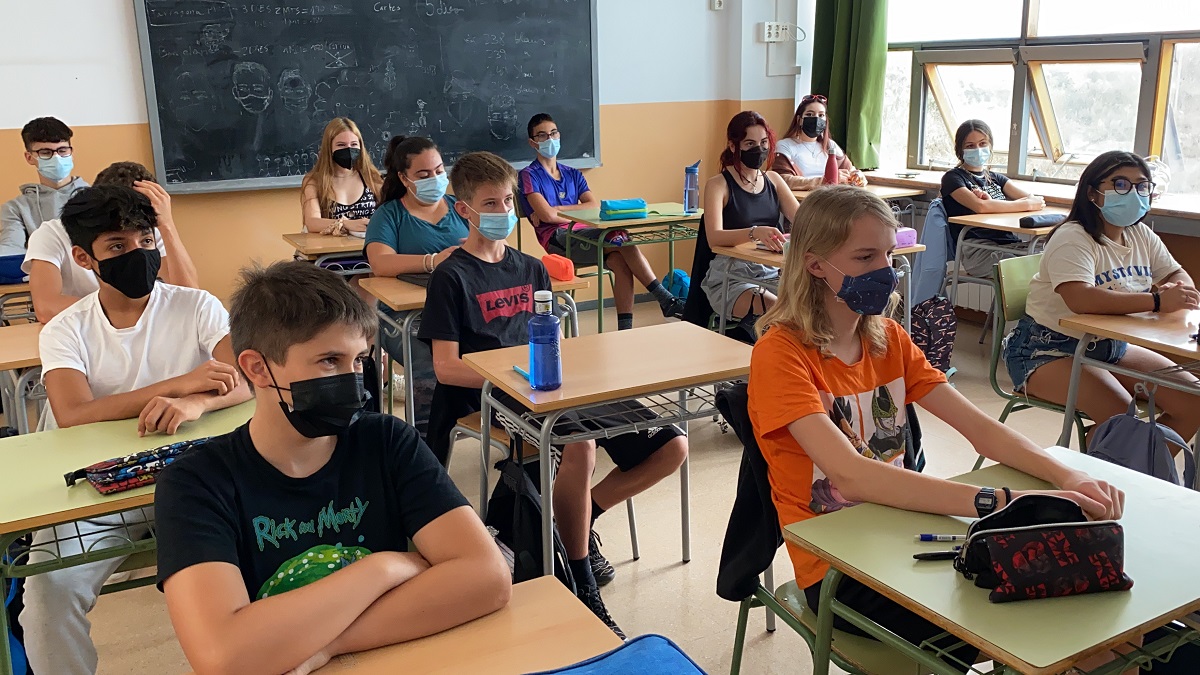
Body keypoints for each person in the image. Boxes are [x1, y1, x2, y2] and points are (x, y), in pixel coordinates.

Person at [748, 184, 1126, 671]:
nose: (885, 269)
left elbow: (980, 429)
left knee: (1091, 618)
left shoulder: (889, 339)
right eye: (865, 257)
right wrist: (1004, 501)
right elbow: (852, 477)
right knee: (1056, 631)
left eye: (889, 253)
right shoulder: (780, 354)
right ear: (815, 264)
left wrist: (1065, 474)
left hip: (910, 533)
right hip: (837, 569)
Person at [155, 261, 510, 675]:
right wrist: (386, 566)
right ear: (257, 368)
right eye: (329, 360)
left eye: (358, 360)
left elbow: (487, 577)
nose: (353, 381)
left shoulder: (386, 441)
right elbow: (225, 658)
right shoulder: (196, 483)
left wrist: (329, 643)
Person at [419, 151, 688, 638]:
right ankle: (582, 582)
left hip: (546, 385)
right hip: (490, 393)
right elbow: (445, 367)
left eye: (508, 201)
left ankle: (577, 523)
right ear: (464, 210)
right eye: (490, 203)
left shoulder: (531, 268)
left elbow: (553, 342)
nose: (503, 210)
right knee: (579, 445)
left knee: (673, 445)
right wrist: (513, 379)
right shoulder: (451, 276)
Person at [22, 184, 253, 675]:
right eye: (118, 246)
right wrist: (179, 383)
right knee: (46, 595)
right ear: (84, 258)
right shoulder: (66, 328)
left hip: (198, 484)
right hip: (101, 489)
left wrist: (195, 402)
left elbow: (249, 377)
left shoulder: (196, 306)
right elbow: (73, 412)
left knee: (262, 559)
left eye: (146, 241)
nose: (138, 254)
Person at [1003, 150, 1200, 444]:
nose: (1133, 193)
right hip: (1047, 349)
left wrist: (1177, 291)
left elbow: (1176, 274)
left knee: (1193, 399)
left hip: (1111, 344)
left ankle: (1139, 468)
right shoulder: (1073, 237)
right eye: (1120, 184)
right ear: (1092, 193)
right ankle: (1099, 467)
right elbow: (1080, 299)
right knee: (1122, 418)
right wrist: (1158, 301)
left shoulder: (1140, 234)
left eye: (1141, 186)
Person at [518, 113, 685, 329]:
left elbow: (592, 206)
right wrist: (555, 212)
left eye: (553, 133)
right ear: (532, 142)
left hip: (586, 234)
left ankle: (625, 330)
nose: (550, 139)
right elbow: (548, 218)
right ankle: (665, 299)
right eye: (542, 135)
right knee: (621, 238)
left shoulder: (572, 174)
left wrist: (557, 208)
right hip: (559, 240)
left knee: (619, 259)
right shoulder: (529, 175)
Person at [364, 135, 467, 438]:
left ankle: (500, 426)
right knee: (429, 360)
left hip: (458, 309)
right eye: (423, 175)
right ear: (404, 178)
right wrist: (433, 260)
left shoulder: (461, 209)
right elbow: (380, 262)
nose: (434, 178)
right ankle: (427, 440)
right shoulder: (389, 215)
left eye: (439, 171)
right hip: (403, 316)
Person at [23, 161, 200, 323]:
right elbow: (46, 307)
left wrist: (167, 225)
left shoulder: (146, 230)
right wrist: (120, 312)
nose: (133, 230)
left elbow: (190, 296)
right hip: (84, 329)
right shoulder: (51, 234)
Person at [701, 111, 800, 337]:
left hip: (773, 272)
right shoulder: (718, 184)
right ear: (733, 146)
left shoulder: (774, 180)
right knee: (779, 311)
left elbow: (804, 220)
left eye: (763, 143)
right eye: (750, 144)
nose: (759, 149)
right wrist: (754, 232)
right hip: (732, 276)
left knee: (812, 304)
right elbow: (714, 237)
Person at [941, 119, 1046, 278]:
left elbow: (1033, 199)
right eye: (970, 146)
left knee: (1051, 254)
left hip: (1009, 244)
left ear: (990, 146)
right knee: (1023, 268)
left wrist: (1020, 203)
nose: (978, 149)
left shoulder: (996, 178)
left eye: (982, 143)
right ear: (960, 150)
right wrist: (1024, 204)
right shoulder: (953, 178)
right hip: (978, 250)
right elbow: (981, 207)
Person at [0, 117, 89, 257]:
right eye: (46, 153)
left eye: (62, 150)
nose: (56, 157)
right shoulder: (16, 209)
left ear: (71, 152)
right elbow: (11, 250)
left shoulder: (96, 197)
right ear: (29, 157)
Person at [300, 117, 383, 236]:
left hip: (369, 244)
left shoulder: (371, 177)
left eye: (354, 144)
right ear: (329, 148)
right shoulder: (314, 181)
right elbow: (312, 222)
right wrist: (346, 223)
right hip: (332, 247)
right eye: (341, 145)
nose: (349, 149)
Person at [772, 94, 862, 191]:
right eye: (809, 114)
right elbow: (783, 179)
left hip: (831, 196)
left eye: (821, 115)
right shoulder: (785, 145)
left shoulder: (830, 145)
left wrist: (857, 176)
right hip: (803, 198)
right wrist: (825, 181)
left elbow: (851, 170)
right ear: (799, 120)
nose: (816, 119)